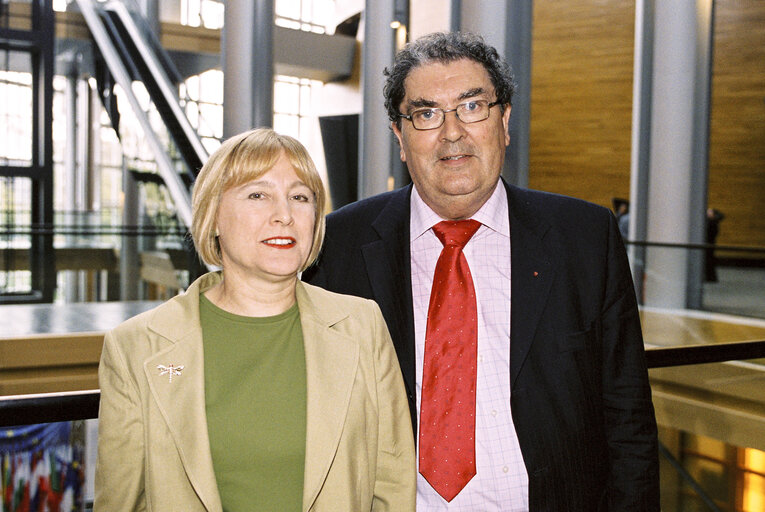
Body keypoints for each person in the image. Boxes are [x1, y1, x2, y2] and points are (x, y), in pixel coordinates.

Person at [303, 32, 659, 510]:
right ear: (400, 138)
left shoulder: (584, 237)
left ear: (504, 121)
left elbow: (628, 418)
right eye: (427, 114)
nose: (452, 133)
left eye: (472, 107)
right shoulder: (337, 246)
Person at [94, 128, 416, 511]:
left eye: (299, 197)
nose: (284, 215)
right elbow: (122, 503)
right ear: (213, 217)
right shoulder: (136, 346)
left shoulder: (362, 325)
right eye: (258, 195)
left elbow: (393, 487)